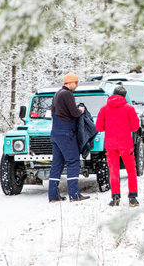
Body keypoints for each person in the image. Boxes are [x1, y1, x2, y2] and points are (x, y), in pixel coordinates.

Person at [95, 85, 140, 207]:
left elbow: (98, 127)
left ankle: (115, 198)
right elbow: (135, 126)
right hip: (126, 144)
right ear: (124, 96)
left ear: (113, 94)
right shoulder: (129, 109)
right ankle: (132, 197)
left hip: (110, 144)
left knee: (113, 171)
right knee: (131, 170)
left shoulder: (104, 109)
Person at [48, 73, 89, 202]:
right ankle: (74, 194)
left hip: (55, 133)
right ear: (69, 83)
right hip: (66, 133)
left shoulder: (57, 94)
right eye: (76, 83)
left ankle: (53, 195)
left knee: (57, 164)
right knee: (73, 162)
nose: (76, 86)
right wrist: (81, 110)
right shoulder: (67, 94)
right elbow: (74, 113)